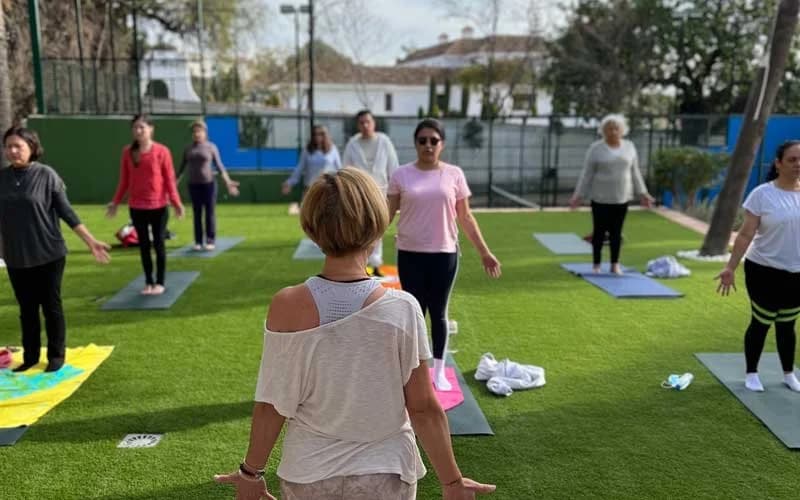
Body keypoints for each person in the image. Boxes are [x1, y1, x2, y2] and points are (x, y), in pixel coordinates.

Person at [213, 167, 496, 500]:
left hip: (309, 474)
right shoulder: (403, 308)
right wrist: (451, 481)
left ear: (310, 227)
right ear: (378, 224)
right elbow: (422, 407)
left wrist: (251, 473)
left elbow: (272, 405)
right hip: (386, 474)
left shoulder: (286, 305)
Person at [387, 118, 501, 391]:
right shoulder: (401, 174)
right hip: (410, 253)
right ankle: (415, 372)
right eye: (422, 140)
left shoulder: (453, 174)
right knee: (414, 314)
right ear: (415, 143)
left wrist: (485, 252)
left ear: (442, 144)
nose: (428, 145)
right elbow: (387, 213)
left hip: (444, 254)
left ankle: (438, 372)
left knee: (438, 312)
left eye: (433, 140)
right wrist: (365, 243)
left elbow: (466, 216)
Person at [0, 126, 110, 373]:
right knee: (27, 309)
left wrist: (90, 241)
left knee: (51, 306)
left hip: (49, 253)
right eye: (9, 146)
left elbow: (66, 212)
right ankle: (29, 357)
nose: (13, 151)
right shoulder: (2, 178)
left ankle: (56, 356)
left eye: (19, 146)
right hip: (16, 256)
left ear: (32, 148)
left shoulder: (46, 175)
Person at [716, 140, 800, 393]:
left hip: (797, 273)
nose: (798, 164)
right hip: (764, 269)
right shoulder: (762, 194)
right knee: (762, 321)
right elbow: (745, 234)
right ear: (778, 163)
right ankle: (752, 372)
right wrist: (730, 267)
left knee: (788, 324)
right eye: (792, 160)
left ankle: (788, 373)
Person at [107, 114, 185, 296]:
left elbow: (169, 180)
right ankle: (149, 282)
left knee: (158, 244)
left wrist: (176, 203)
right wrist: (115, 202)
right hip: (137, 207)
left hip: (158, 206)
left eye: (142, 127)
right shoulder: (128, 152)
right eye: (135, 128)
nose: (138, 131)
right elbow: (124, 181)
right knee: (143, 246)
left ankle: (160, 282)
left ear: (151, 129)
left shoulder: (162, 151)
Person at [569, 114, 654, 274]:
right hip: (600, 197)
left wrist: (643, 193)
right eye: (609, 129)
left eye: (616, 128)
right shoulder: (596, 149)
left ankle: (615, 264)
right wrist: (578, 196)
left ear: (622, 130)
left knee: (616, 232)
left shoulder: (629, 147)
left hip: (622, 197)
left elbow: (635, 172)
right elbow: (586, 174)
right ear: (603, 131)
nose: (613, 132)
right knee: (599, 232)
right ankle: (596, 265)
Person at [343, 110, 399, 274]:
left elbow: (393, 167)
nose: (365, 125)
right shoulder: (352, 144)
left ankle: (375, 264)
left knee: (377, 227)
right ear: (357, 125)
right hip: (358, 193)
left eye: (368, 121)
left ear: (373, 123)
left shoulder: (384, 142)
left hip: (381, 192)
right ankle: (360, 264)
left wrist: (395, 192)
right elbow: (345, 168)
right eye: (361, 122)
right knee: (359, 229)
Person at [178, 120, 240, 251]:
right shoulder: (188, 149)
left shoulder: (211, 147)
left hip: (209, 185)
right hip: (193, 186)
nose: (197, 134)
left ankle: (210, 240)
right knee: (197, 213)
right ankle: (198, 241)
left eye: (199, 131)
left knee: (209, 213)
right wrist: (172, 185)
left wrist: (228, 181)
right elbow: (181, 170)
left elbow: (220, 166)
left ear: (205, 132)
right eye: (194, 131)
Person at [281, 124, 342, 199]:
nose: (317, 136)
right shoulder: (307, 150)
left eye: (321, 134)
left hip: (327, 188)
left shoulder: (333, 149)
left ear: (326, 135)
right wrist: (289, 183)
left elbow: (339, 168)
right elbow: (300, 168)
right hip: (310, 188)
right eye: (315, 134)